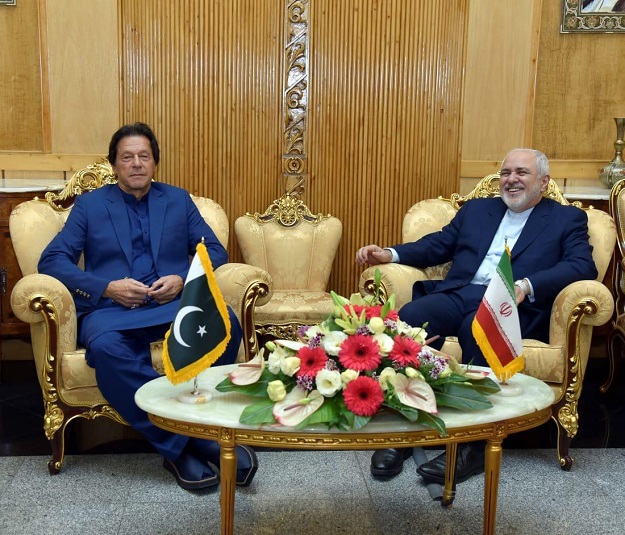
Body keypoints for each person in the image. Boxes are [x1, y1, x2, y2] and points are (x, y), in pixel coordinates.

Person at [355, 148, 597, 485]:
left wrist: (527, 285)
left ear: (543, 182)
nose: (511, 179)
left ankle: (471, 447)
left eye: (521, 173)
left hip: (510, 303)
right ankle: (405, 429)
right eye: (506, 172)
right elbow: (439, 244)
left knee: (476, 328)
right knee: (411, 317)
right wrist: (390, 252)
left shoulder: (565, 219)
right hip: (462, 291)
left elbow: (582, 265)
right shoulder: (478, 210)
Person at [38, 122, 258, 491]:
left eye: (144, 156)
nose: (136, 164)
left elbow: (214, 252)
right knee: (107, 351)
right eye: (127, 157)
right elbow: (53, 260)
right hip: (111, 311)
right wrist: (106, 286)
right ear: (114, 165)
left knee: (226, 322)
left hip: (171, 306)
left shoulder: (177, 199)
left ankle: (187, 433)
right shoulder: (90, 206)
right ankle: (186, 443)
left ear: (155, 163)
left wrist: (181, 278)